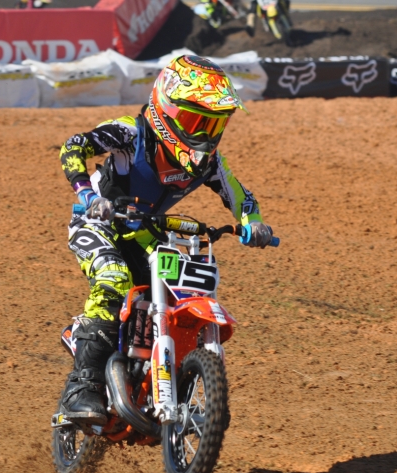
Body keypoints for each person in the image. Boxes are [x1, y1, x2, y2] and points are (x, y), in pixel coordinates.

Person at [57, 55, 274, 425]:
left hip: (144, 231)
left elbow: (241, 196)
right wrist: (88, 195)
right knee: (114, 279)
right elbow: (74, 146)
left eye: (214, 124)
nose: (205, 135)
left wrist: (253, 223)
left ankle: (148, 375)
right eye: (197, 122)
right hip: (97, 222)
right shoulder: (130, 134)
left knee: (176, 291)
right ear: (167, 110)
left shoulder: (209, 162)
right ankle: (82, 387)